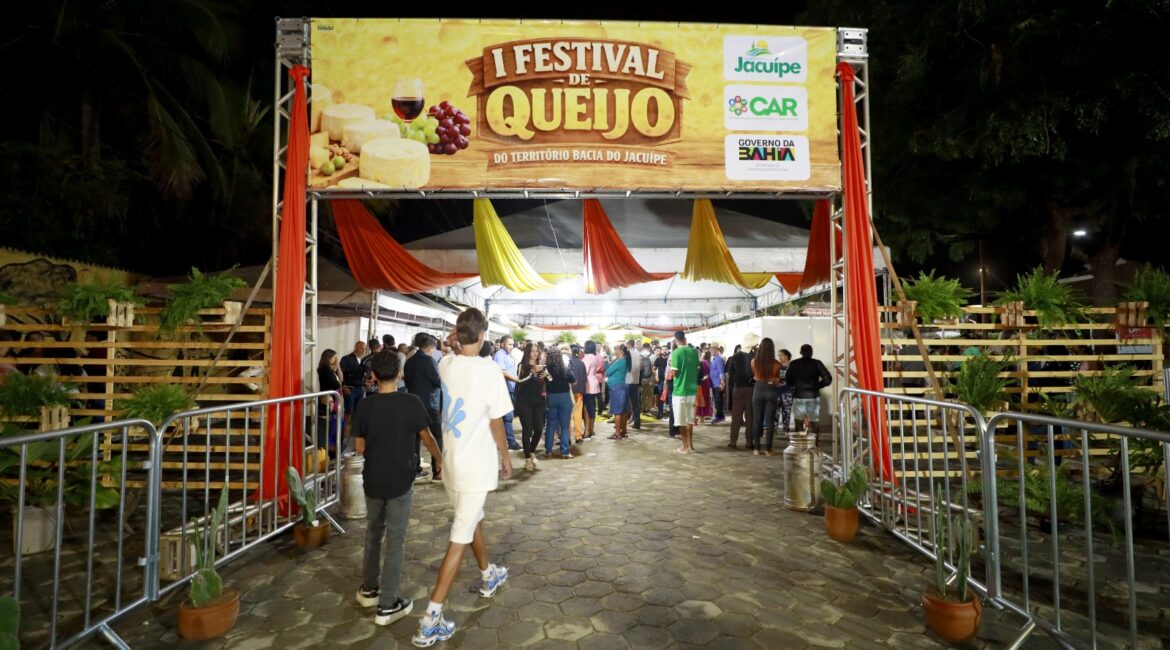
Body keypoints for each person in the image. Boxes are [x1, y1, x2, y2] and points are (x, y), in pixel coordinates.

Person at [413, 309, 512, 648]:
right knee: (459, 537)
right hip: (475, 466)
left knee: (472, 521)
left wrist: (455, 341)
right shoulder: (489, 370)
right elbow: (496, 422)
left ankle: (488, 574)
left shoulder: (446, 364)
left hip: (452, 464)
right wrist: (506, 456)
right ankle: (431, 619)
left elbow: (454, 351)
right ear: (482, 336)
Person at [353, 351, 442, 627]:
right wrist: (440, 460)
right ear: (400, 373)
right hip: (400, 479)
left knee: (373, 533)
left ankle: (369, 589)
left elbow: (359, 447)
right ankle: (388, 603)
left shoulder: (365, 405)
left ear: (374, 376)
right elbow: (427, 437)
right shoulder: (411, 402)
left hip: (373, 478)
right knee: (396, 540)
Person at [405, 334, 444, 481]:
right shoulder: (428, 360)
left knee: (415, 438)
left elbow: (408, 382)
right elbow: (437, 381)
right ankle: (438, 471)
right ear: (430, 348)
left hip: (413, 403)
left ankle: (415, 469)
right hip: (429, 404)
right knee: (436, 436)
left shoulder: (410, 361)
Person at [786, 344, 832, 434]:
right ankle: (815, 441)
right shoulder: (817, 363)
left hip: (798, 395)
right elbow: (828, 379)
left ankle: (799, 441)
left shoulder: (794, 363)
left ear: (800, 352)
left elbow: (788, 380)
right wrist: (817, 386)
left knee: (798, 421)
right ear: (811, 352)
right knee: (815, 421)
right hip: (813, 396)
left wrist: (795, 386)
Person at [514, 342, 546, 471]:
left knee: (539, 429)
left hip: (538, 402)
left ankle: (532, 451)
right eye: (532, 351)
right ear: (527, 352)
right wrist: (532, 372)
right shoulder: (522, 366)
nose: (535, 353)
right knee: (527, 429)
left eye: (537, 351)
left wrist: (546, 376)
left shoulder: (541, 366)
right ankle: (527, 458)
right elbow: (520, 382)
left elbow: (550, 381)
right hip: (524, 402)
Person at [667, 331, 700, 453]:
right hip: (692, 390)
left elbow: (675, 373)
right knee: (690, 419)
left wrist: (671, 367)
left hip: (680, 390)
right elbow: (697, 369)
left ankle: (684, 446)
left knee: (681, 420)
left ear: (676, 340)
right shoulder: (694, 352)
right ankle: (690, 444)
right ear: (685, 339)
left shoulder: (676, 353)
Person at [543, 345, 576, 458]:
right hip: (564, 397)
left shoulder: (545, 370)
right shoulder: (565, 369)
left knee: (550, 424)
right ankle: (565, 451)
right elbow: (574, 381)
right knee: (565, 425)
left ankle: (548, 450)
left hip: (551, 397)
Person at [750, 338, 782, 456]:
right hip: (771, 390)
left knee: (756, 420)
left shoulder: (754, 361)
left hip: (758, 389)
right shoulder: (777, 364)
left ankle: (756, 449)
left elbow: (755, 375)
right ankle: (768, 449)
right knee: (769, 421)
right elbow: (777, 378)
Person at [492, 336, 522, 451]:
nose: (511, 346)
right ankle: (511, 442)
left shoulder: (507, 355)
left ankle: (505, 441)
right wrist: (516, 379)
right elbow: (502, 372)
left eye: (512, 344)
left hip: (509, 389)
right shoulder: (500, 355)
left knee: (506, 417)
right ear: (502, 344)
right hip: (504, 389)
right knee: (508, 417)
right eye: (509, 344)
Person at [728, 334, 757, 449]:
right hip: (751, 388)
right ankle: (749, 442)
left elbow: (730, 373)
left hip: (737, 388)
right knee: (750, 416)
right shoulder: (755, 356)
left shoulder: (735, 356)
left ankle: (733, 441)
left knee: (736, 416)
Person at [316, 349, 342, 452]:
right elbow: (337, 384)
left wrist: (337, 366)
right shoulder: (325, 369)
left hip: (333, 397)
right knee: (330, 425)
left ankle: (333, 448)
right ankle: (330, 450)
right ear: (328, 358)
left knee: (334, 423)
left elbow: (341, 379)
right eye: (334, 358)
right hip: (328, 399)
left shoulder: (330, 369)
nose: (335, 360)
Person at [605, 346, 629, 440]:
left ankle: (617, 433)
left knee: (617, 411)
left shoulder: (620, 361)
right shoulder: (623, 361)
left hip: (617, 388)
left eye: (617, 349)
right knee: (622, 410)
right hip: (622, 387)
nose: (615, 351)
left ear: (621, 352)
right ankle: (623, 431)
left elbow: (608, 372)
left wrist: (606, 363)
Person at [339, 340, 367, 420]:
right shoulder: (346, 359)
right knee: (349, 412)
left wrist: (365, 382)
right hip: (350, 389)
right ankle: (346, 427)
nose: (363, 351)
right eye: (361, 348)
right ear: (355, 348)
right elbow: (340, 373)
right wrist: (344, 386)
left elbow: (361, 374)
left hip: (360, 389)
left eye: (364, 349)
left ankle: (354, 427)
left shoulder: (363, 360)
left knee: (358, 412)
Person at [582, 340, 604, 439]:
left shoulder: (587, 357)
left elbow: (584, 372)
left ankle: (587, 431)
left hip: (588, 385)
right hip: (594, 383)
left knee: (587, 408)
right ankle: (591, 429)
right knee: (592, 407)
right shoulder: (595, 357)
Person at [568, 344, 587, 443]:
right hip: (579, 391)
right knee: (578, 414)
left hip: (569, 391)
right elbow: (585, 379)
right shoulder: (581, 363)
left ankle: (567, 437)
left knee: (567, 415)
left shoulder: (567, 363)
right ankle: (578, 436)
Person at [624, 340, 643, 431]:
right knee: (635, 404)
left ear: (628, 344)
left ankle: (622, 423)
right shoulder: (638, 354)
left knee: (625, 403)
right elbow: (641, 368)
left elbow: (626, 367)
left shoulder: (627, 353)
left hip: (628, 380)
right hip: (635, 380)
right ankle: (637, 422)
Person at [777, 349, 794, 436]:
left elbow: (795, 379)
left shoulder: (792, 366)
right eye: (779, 355)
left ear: (786, 356)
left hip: (788, 392)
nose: (779, 357)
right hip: (777, 392)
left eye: (781, 355)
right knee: (775, 412)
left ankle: (786, 430)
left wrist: (788, 382)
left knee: (786, 412)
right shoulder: (777, 366)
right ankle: (773, 430)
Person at [696, 351, 713, 424]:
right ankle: (702, 416)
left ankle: (701, 416)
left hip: (701, 383)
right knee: (704, 399)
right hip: (705, 382)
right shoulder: (706, 362)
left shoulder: (701, 362)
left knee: (700, 399)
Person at [710, 346, 726, 424]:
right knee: (717, 401)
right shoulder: (714, 359)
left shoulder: (719, 359)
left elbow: (721, 371)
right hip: (714, 383)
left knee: (718, 401)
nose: (711, 351)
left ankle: (719, 417)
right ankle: (720, 416)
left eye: (713, 349)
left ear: (717, 350)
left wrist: (722, 382)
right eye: (711, 349)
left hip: (718, 384)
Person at [654, 346, 669, 419]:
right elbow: (653, 368)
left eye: (666, 349)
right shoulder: (658, 360)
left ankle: (670, 413)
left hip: (669, 381)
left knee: (669, 397)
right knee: (660, 397)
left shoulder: (670, 359)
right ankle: (660, 413)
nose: (664, 351)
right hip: (661, 381)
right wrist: (656, 376)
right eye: (663, 350)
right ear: (661, 351)